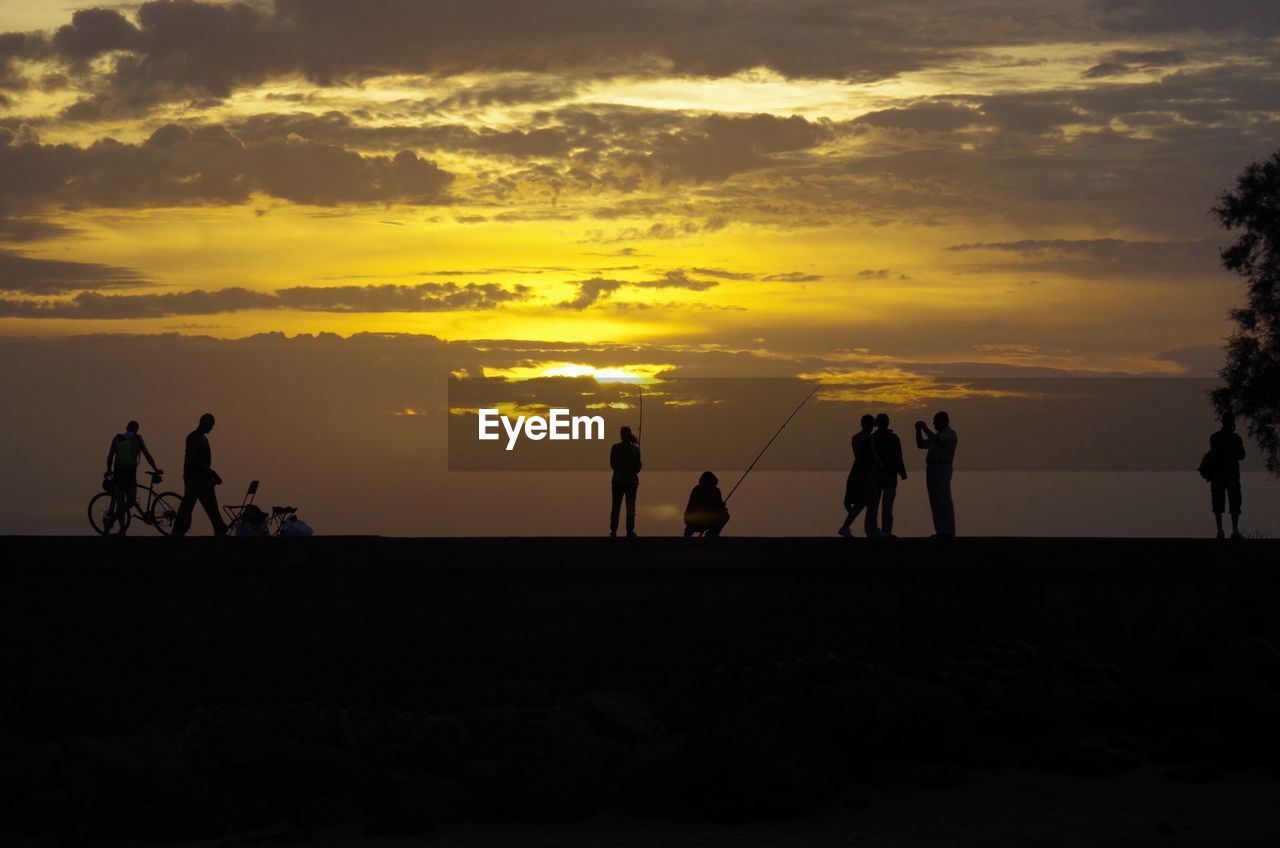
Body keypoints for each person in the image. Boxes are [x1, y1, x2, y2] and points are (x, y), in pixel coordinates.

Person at [172, 413, 227, 537]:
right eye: (210, 425)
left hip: (204, 479)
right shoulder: (193, 437)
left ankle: (220, 528)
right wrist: (211, 472)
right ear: (203, 422)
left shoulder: (204, 439)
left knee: (210, 505)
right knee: (188, 506)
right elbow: (193, 457)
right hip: (194, 479)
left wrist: (210, 474)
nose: (211, 428)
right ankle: (177, 532)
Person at [104, 420, 160, 534]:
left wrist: (109, 470)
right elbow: (147, 456)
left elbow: (110, 456)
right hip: (131, 475)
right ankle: (115, 523)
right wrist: (155, 468)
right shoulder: (138, 439)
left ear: (126, 428)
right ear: (137, 429)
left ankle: (121, 529)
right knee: (130, 502)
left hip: (118, 474)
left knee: (120, 502)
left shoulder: (117, 439)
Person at [915, 411, 958, 537]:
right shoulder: (938, 434)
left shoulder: (950, 434)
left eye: (935, 421)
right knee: (935, 501)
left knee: (943, 500)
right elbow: (921, 444)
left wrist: (924, 428)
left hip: (942, 468)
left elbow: (937, 440)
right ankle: (941, 531)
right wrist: (918, 431)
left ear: (944, 421)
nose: (933, 423)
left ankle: (948, 531)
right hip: (933, 469)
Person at [839, 414, 881, 537]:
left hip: (865, 473)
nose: (871, 427)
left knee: (862, 503)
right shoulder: (859, 438)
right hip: (862, 474)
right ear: (863, 424)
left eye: (872, 425)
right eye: (869, 424)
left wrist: (879, 464)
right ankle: (874, 529)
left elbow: (873, 455)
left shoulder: (868, 438)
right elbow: (862, 454)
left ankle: (845, 527)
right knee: (873, 500)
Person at [1207, 412, 1246, 539]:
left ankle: (1220, 530)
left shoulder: (1214, 438)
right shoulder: (1235, 439)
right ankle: (1234, 530)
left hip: (1218, 475)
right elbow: (1242, 455)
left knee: (1218, 503)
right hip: (1231, 475)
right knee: (1234, 503)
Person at [868, 413, 908, 537]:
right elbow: (898, 456)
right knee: (887, 505)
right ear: (887, 423)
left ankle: (873, 530)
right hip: (890, 475)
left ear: (877, 424)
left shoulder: (872, 438)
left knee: (874, 505)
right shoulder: (894, 438)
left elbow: (870, 457)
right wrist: (903, 472)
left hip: (877, 475)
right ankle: (886, 531)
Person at [609, 425, 642, 537]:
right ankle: (630, 530)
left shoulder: (615, 448)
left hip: (618, 480)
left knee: (616, 507)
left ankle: (613, 530)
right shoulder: (635, 449)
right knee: (631, 507)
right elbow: (637, 468)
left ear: (621, 435)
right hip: (631, 481)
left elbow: (612, 464)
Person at [684, 471, 730, 537]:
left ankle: (690, 530)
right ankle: (712, 533)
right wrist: (722, 507)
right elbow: (718, 508)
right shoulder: (715, 491)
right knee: (725, 515)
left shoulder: (696, 489)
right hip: (702, 520)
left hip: (690, 519)